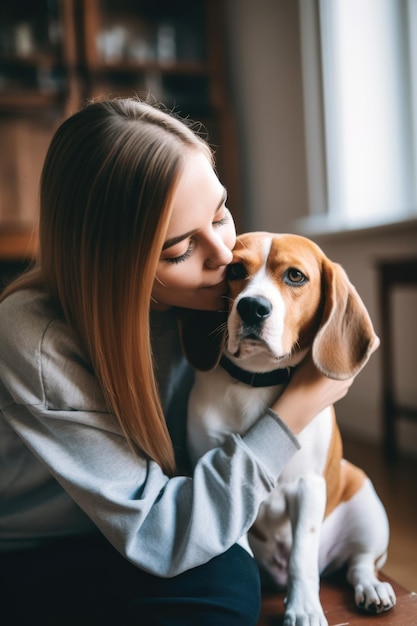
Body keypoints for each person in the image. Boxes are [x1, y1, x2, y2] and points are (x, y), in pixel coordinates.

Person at [0, 97, 356, 625]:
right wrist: (296, 411)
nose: (224, 255)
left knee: (233, 576)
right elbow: (159, 533)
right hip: (42, 545)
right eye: (179, 249)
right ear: (112, 264)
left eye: (220, 214)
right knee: (224, 587)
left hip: (154, 516)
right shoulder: (34, 336)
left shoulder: (216, 295)